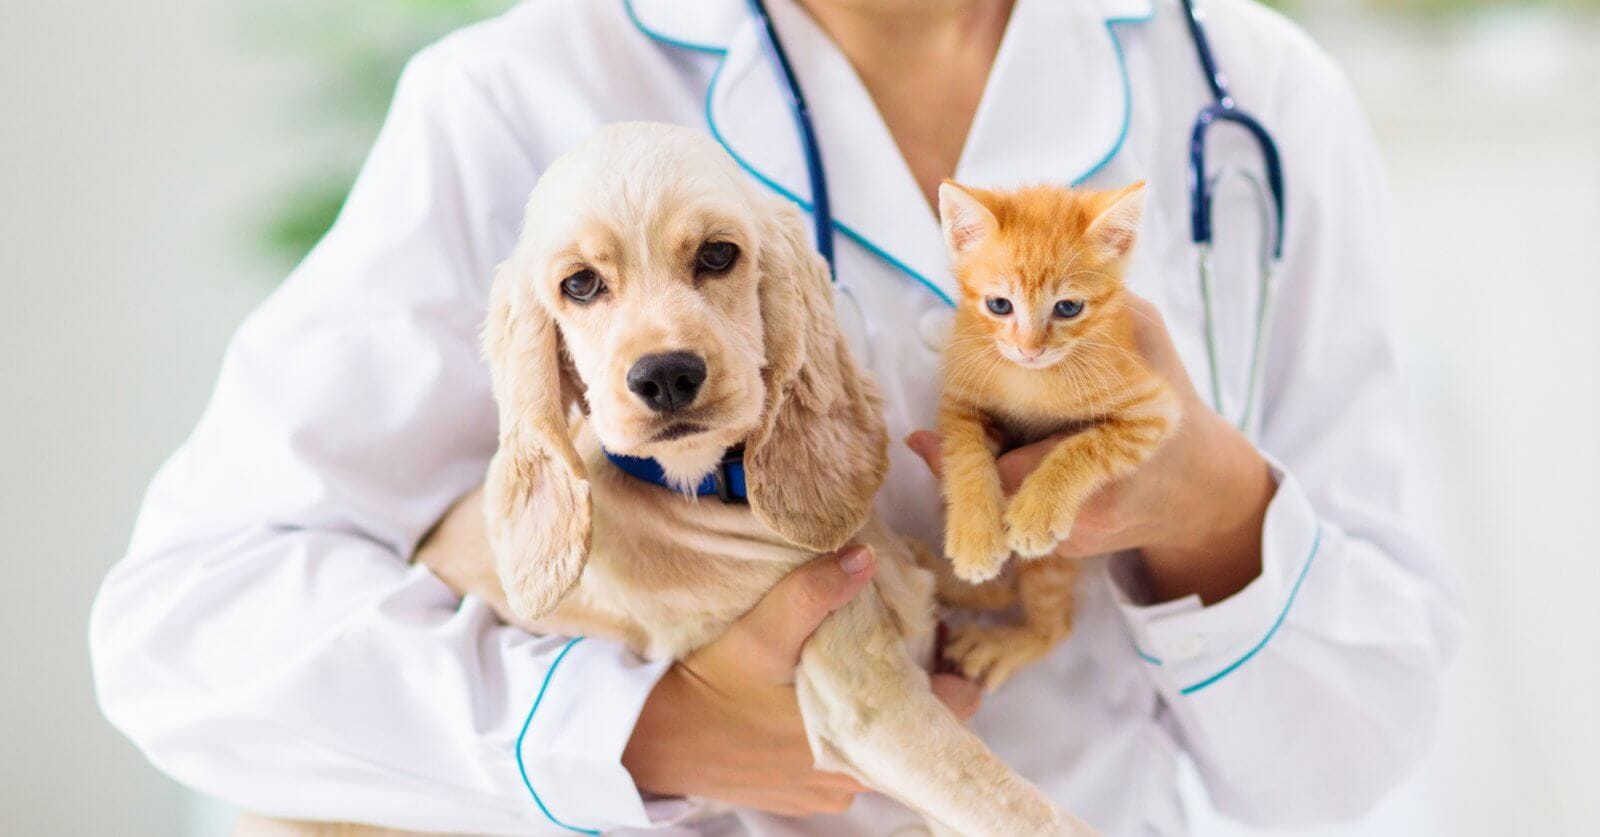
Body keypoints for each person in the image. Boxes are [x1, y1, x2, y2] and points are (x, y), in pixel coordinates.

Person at [90, 0, 1461, 834]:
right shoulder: (515, 101)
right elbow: (189, 631)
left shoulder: (1254, 100)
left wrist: (1217, 508)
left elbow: (1350, 755)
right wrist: (636, 730)